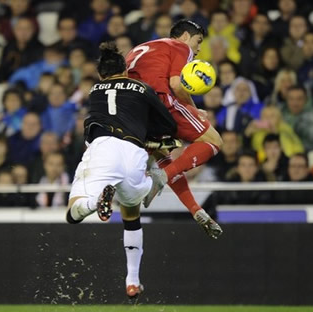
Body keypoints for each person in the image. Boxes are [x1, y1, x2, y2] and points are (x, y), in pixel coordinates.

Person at [66, 42, 177, 298]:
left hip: (104, 147)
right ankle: (133, 280)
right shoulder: (141, 88)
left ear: (101, 75)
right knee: (131, 211)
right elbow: (168, 123)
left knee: (73, 213)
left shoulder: (95, 91)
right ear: (126, 70)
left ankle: (96, 200)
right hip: (135, 153)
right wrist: (156, 140)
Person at [125, 20, 223, 238]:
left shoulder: (139, 49)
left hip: (132, 111)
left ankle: (196, 211)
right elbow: (177, 85)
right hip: (160, 101)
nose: (197, 50)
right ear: (186, 36)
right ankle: (160, 178)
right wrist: (194, 109)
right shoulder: (180, 47)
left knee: (164, 156)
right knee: (214, 141)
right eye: (198, 41)